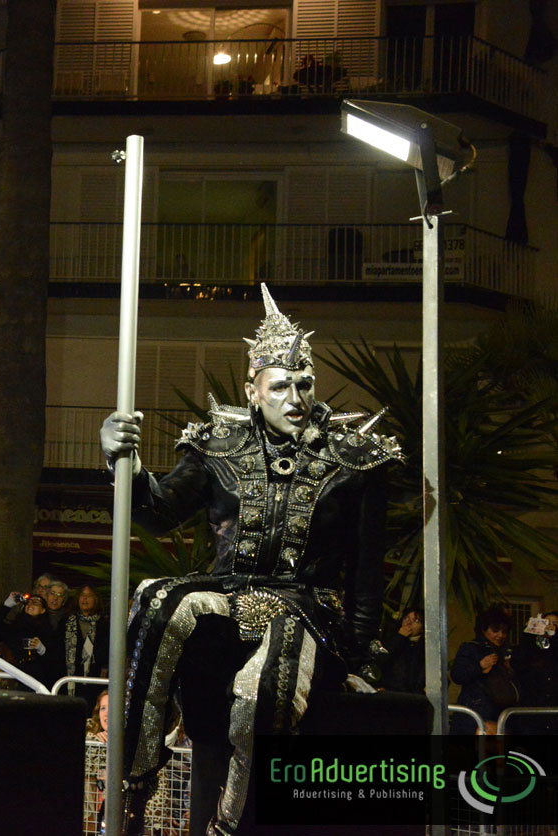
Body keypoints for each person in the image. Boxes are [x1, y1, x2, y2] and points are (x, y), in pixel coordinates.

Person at [99, 284, 399, 835]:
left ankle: (230, 825)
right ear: (253, 391)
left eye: (304, 383)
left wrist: (361, 662)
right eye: (281, 385)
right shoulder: (220, 447)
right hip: (229, 597)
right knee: (159, 596)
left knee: (270, 676)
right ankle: (132, 787)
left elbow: (366, 572)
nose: (296, 397)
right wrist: (125, 460)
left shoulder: (353, 460)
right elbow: (158, 513)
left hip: (307, 608)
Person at [451, 605, 519, 734]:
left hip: (502, 714)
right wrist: (480, 666)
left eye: (504, 631)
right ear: (483, 629)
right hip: (476, 713)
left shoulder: (506, 652)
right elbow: (457, 675)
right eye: (495, 630)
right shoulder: (470, 648)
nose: (500, 635)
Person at [61, 584, 109, 701]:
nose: (85, 599)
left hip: (95, 679)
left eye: (89, 596)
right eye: (82, 595)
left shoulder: (104, 623)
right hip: (69, 679)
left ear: (96, 599)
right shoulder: (67, 621)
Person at [513, 610, 558, 733]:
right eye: (546, 623)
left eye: (555, 624)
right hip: (531, 714)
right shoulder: (531, 648)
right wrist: (528, 633)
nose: (550, 626)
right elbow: (518, 662)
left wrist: (554, 636)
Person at [380, 606, 425, 694]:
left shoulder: (423, 647)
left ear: (422, 628)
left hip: (412, 695)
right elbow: (382, 658)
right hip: (390, 691)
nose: (409, 623)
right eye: (406, 618)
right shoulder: (391, 639)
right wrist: (400, 637)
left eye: (416, 621)